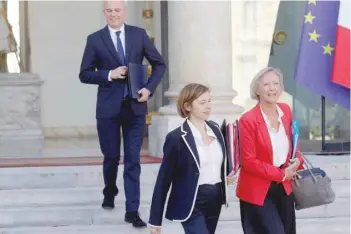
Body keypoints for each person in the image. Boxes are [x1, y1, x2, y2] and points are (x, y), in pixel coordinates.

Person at [79, 0, 166, 228]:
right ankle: (110, 190)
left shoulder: (139, 35)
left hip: (135, 107)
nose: (113, 14)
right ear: (104, 13)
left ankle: (132, 210)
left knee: (132, 160)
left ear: (124, 12)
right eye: (109, 11)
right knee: (110, 157)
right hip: (107, 109)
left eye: (117, 10)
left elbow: (159, 64)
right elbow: (84, 74)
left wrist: (149, 88)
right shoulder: (95, 39)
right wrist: (109, 74)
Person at [148, 83, 237, 234]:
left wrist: (226, 175)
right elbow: (163, 180)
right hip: (191, 201)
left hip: (215, 198)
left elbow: (222, 161)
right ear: (187, 106)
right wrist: (155, 220)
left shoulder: (216, 129)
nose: (208, 106)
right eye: (202, 102)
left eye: (209, 101)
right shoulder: (176, 138)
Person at [236, 67, 305, 234]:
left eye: (276, 83)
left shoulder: (285, 111)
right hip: (258, 191)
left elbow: (292, 145)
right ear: (257, 90)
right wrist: (280, 174)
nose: (272, 88)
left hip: (285, 187)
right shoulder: (248, 120)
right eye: (266, 84)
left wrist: (298, 160)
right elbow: (248, 161)